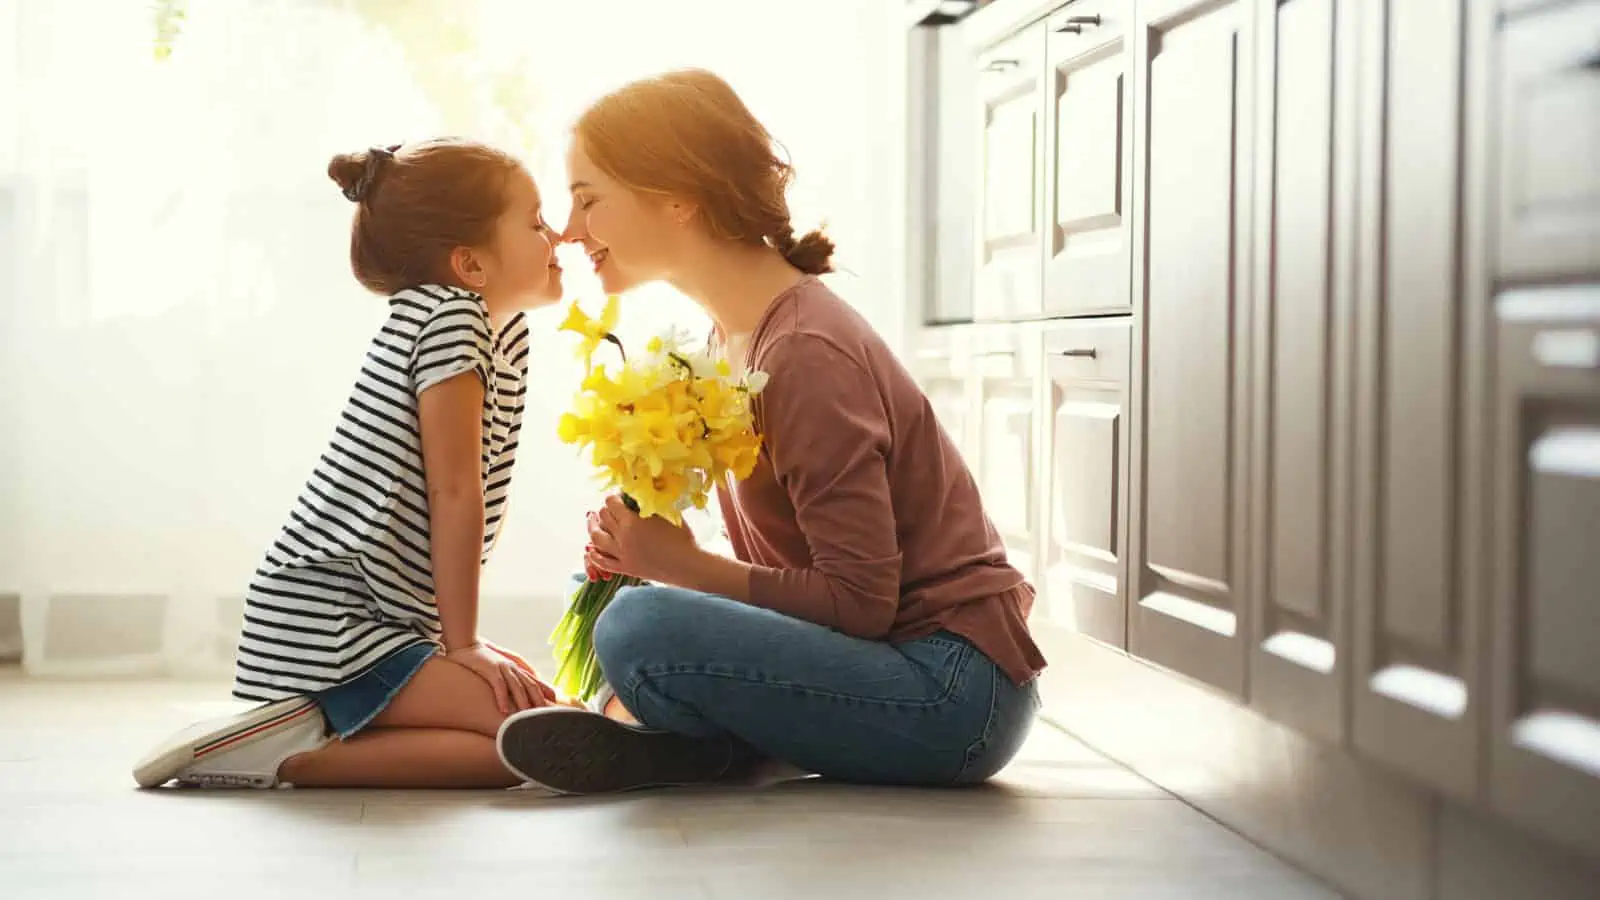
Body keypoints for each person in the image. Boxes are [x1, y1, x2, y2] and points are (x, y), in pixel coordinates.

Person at [495, 70, 1047, 795]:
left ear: (677, 196)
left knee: (639, 625)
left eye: (587, 198)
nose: (567, 231)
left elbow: (862, 603)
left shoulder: (805, 354)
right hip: (895, 664)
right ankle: (695, 748)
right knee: (609, 590)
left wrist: (684, 569)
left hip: (951, 693)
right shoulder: (731, 338)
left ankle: (688, 741)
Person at [133, 138, 567, 789]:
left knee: (539, 720)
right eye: (536, 222)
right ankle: (275, 757)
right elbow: (456, 493)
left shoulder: (492, 326)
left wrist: (454, 647)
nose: (556, 234)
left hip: (370, 620)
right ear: (470, 264)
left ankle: (305, 733)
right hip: (333, 623)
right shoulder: (453, 318)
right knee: (541, 735)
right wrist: (466, 645)